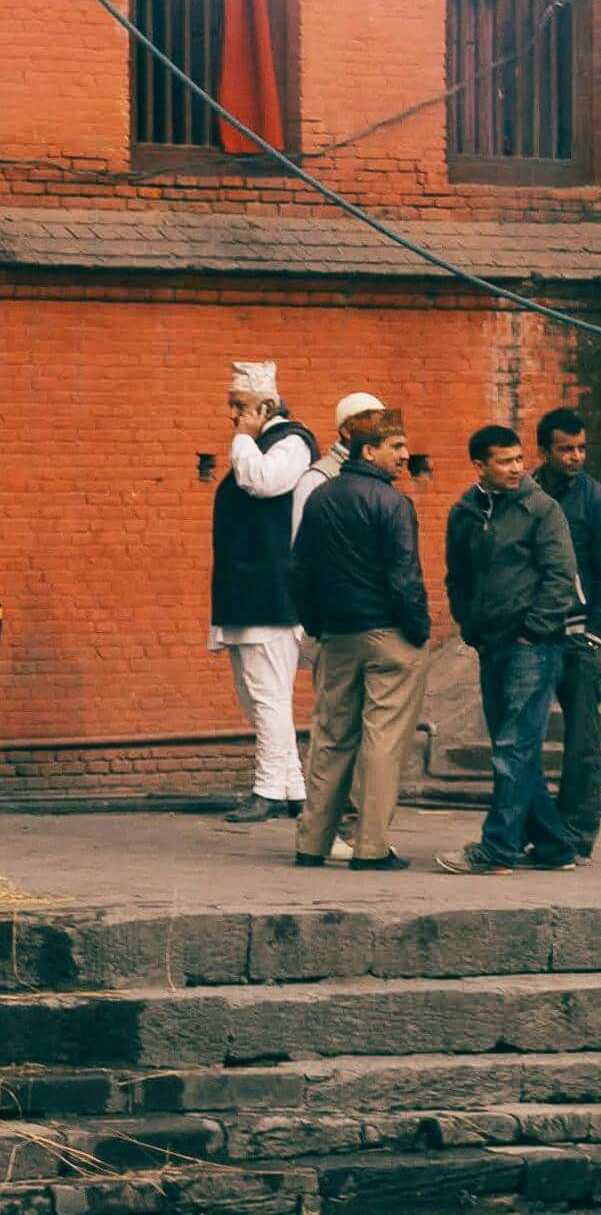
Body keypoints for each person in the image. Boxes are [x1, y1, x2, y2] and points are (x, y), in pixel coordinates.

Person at [290, 396, 431, 869]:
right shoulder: (393, 503)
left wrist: (317, 624)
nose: (405, 455)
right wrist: (418, 631)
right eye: (396, 445)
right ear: (368, 451)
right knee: (382, 741)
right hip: (388, 634)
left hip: (337, 635)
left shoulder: (320, 496)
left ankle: (312, 843)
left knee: (330, 739)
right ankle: (370, 848)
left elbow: (299, 571)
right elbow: (405, 577)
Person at [442, 418, 587, 873]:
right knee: (515, 747)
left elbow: (560, 577)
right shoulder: (465, 511)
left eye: (519, 459)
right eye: (504, 461)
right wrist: (470, 625)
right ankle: (553, 846)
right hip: (491, 643)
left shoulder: (541, 510)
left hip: (534, 647)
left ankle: (498, 848)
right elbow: (458, 577)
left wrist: (534, 629)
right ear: (478, 466)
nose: (516, 469)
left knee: (512, 747)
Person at [208, 359, 319, 825]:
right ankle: (293, 788)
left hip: (269, 593)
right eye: (232, 406)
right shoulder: (267, 443)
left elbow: (262, 482)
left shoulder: (289, 442)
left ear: (267, 405)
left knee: (266, 694)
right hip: (251, 591)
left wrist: (241, 438)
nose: (233, 414)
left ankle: (268, 789)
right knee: (259, 695)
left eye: (241, 406)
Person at [533, 407, 601, 862]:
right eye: (565, 449)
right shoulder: (524, 493)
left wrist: (596, 630)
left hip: (578, 637)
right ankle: (533, 827)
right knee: (521, 739)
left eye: (581, 448)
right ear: (544, 451)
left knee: (582, 742)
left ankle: (577, 831)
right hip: (529, 635)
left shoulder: (600, 502)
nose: (575, 457)